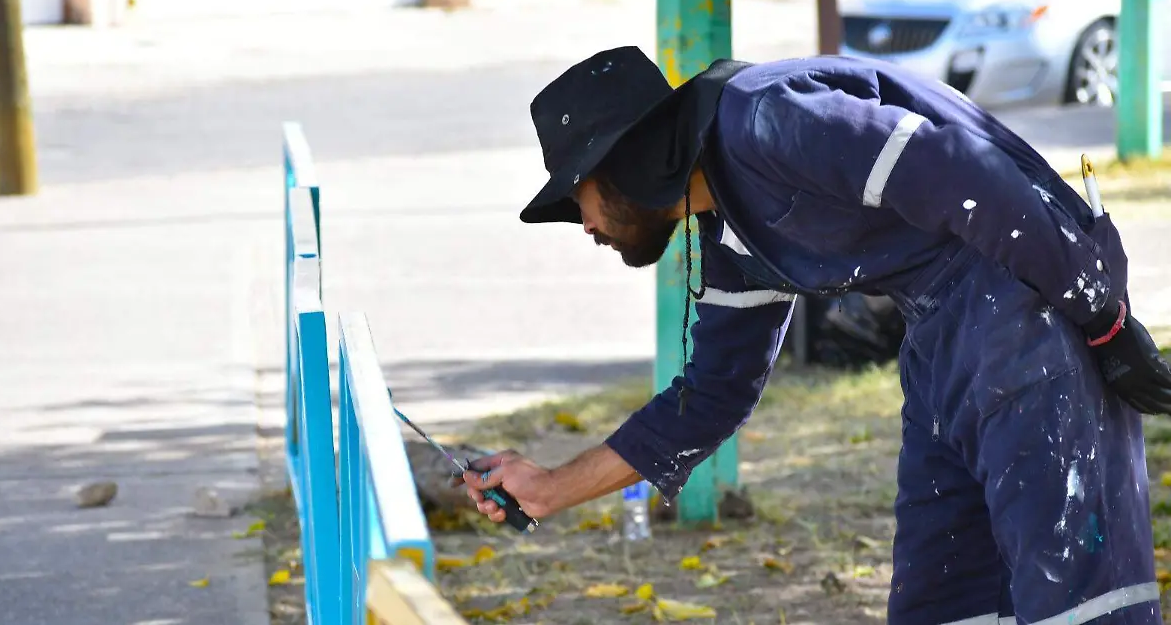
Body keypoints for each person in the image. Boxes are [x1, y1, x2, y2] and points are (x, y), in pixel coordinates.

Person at [458, 46, 1171, 624]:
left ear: (626, 160)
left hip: (1031, 303)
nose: (582, 225)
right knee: (944, 599)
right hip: (938, 340)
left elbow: (967, 173)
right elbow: (709, 398)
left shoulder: (767, 122)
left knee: (1077, 597)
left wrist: (1102, 318)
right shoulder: (729, 232)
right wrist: (551, 487)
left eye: (577, 193)